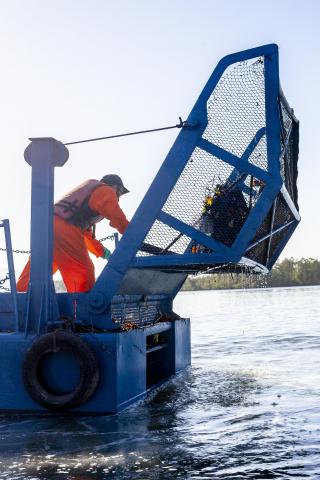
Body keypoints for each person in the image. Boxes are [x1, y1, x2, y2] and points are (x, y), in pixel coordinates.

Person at [17, 174, 130, 293]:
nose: (118, 197)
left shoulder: (89, 196)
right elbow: (117, 217)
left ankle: (17, 305)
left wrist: (104, 252)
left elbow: (87, 237)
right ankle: (81, 309)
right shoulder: (106, 191)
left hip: (44, 227)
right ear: (115, 187)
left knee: (35, 274)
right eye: (120, 192)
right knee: (83, 272)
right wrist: (132, 234)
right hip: (64, 228)